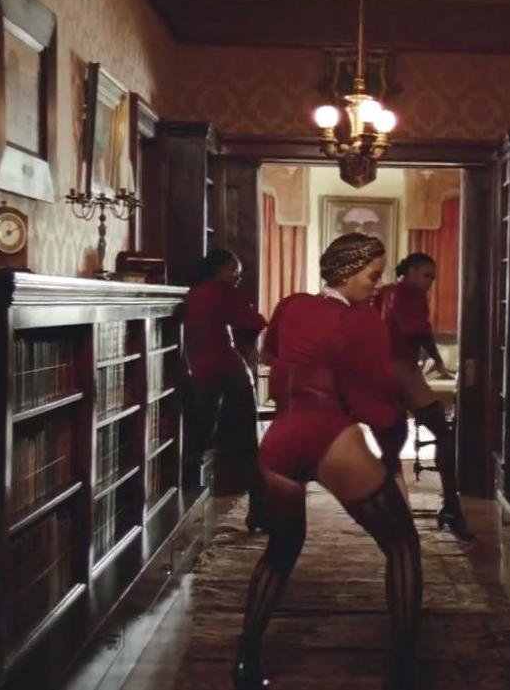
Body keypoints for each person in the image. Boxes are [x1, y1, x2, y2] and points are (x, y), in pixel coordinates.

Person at [236, 234, 423, 690]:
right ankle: (402, 670)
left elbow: (271, 354)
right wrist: (390, 449)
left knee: (281, 550)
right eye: (372, 276)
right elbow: (375, 400)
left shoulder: (291, 305)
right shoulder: (361, 321)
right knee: (402, 544)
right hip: (327, 431)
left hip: (279, 438)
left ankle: (245, 659)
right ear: (347, 271)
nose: (376, 286)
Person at [371, 252, 470, 540]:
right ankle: (451, 507)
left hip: (381, 371)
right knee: (444, 433)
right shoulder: (411, 294)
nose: (430, 283)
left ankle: (392, 510)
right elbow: (416, 331)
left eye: (432, 278)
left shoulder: (384, 293)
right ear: (412, 271)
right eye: (427, 275)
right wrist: (437, 360)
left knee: (391, 445)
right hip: (402, 369)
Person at [183, 249, 270, 532]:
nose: (237, 277)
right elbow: (255, 322)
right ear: (219, 269)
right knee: (247, 443)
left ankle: (187, 504)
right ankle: (259, 511)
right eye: (234, 270)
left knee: (197, 440)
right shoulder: (223, 292)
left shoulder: (192, 294)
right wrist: (249, 354)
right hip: (228, 372)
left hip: (196, 372)